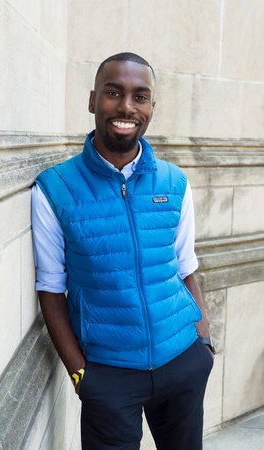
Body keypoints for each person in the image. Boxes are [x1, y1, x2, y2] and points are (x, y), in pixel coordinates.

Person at [32, 52, 215, 450]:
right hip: (109, 375)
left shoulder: (174, 181)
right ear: (93, 99)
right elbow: (50, 287)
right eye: (114, 93)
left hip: (182, 359)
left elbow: (185, 266)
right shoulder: (54, 188)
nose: (127, 107)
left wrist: (203, 344)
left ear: (151, 106)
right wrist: (81, 375)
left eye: (140, 96)